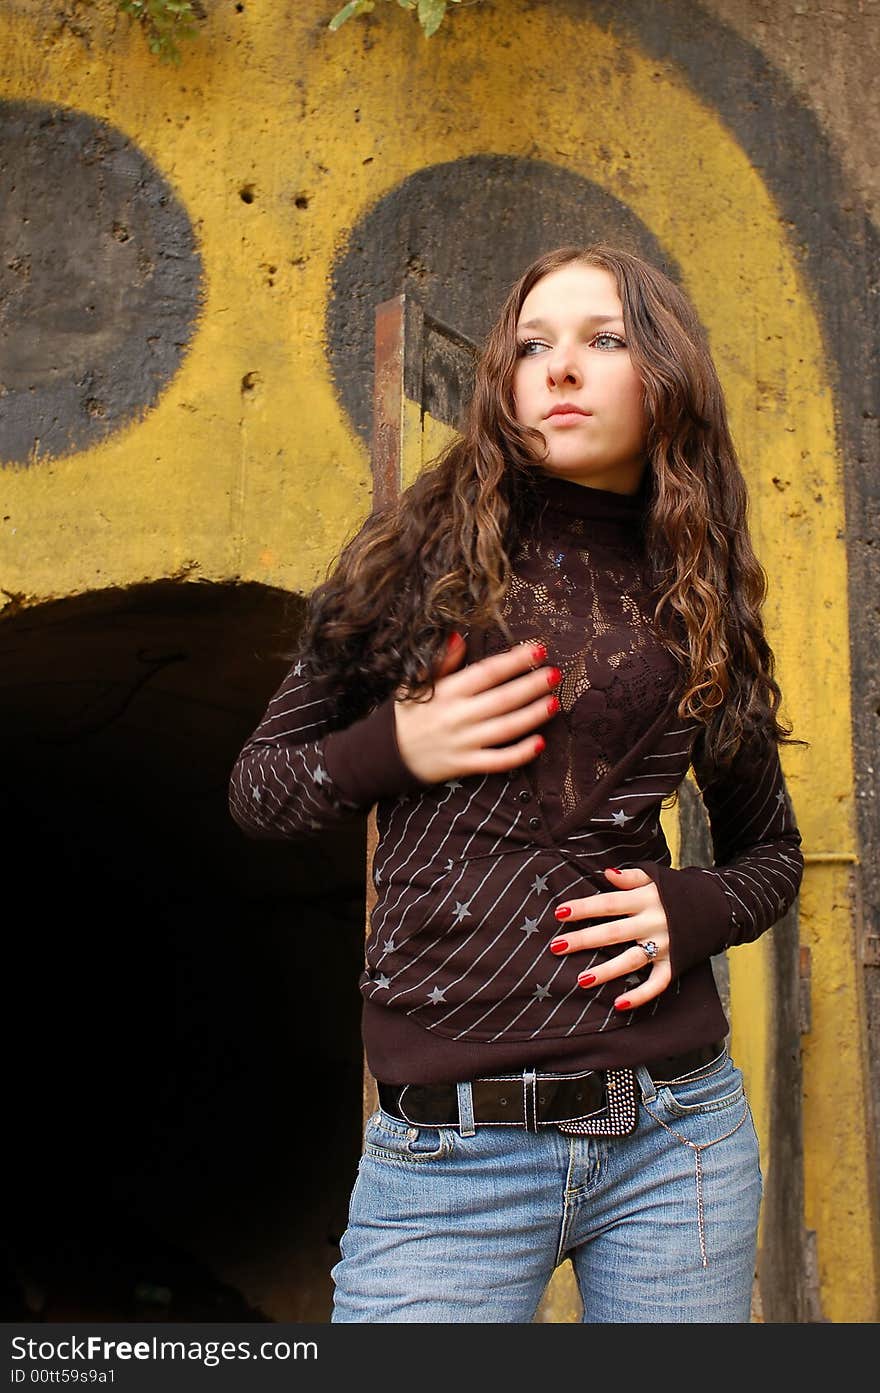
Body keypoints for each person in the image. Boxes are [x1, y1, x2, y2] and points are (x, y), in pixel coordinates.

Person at [228, 244, 804, 1323]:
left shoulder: (700, 595)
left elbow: (771, 853)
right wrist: (396, 750)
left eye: (603, 340)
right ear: (500, 381)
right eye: (533, 345)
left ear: (667, 374)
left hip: (674, 1139)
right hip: (448, 1161)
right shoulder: (413, 558)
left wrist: (693, 906)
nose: (562, 369)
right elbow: (260, 789)